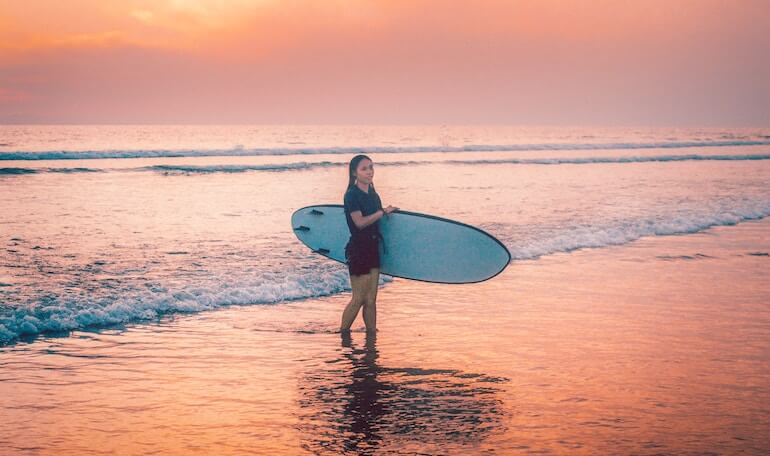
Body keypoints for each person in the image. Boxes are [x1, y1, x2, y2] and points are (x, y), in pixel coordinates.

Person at [340, 154, 397, 334]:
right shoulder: (351, 195)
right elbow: (360, 222)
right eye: (364, 168)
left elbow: (379, 225)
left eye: (371, 167)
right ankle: (343, 334)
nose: (369, 172)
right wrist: (382, 212)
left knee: (371, 300)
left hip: (373, 249)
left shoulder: (373, 195)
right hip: (358, 251)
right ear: (354, 173)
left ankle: (371, 336)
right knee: (359, 299)